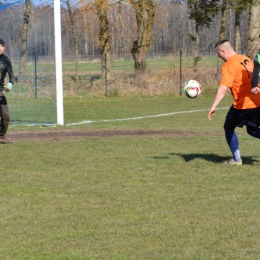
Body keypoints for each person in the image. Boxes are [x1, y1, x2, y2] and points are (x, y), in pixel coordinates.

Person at [208, 39, 260, 165]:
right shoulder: (246, 59)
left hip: (243, 105)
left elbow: (224, 87)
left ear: (223, 51)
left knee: (228, 127)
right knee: (252, 130)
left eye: (218, 53)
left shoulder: (228, 66)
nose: (219, 56)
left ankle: (237, 159)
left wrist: (214, 105)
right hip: (258, 101)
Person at [0, 39, 15, 144]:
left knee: (5, 115)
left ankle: (1, 137)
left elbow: (12, 76)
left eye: (1, 46)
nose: (0, 48)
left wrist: (10, 84)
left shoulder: (6, 60)